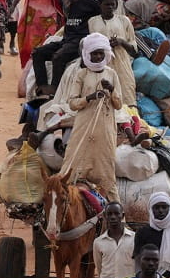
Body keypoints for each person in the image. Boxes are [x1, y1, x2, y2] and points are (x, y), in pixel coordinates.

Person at [53, 33, 125, 201]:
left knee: (106, 168)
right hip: (84, 127)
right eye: (94, 53)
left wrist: (112, 89)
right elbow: (72, 103)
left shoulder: (112, 74)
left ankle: (114, 207)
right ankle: (62, 202)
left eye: (100, 53)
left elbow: (119, 104)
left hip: (105, 128)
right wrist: (90, 98)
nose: (98, 57)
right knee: (73, 164)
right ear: (87, 54)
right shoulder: (81, 74)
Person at [134, 190, 170, 274]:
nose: (161, 210)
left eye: (164, 207)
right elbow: (138, 258)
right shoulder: (142, 232)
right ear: (151, 209)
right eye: (157, 207)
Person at [91, 202, 138, 278]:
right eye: (109, 214)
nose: (113, 217)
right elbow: (99, 267)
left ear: (122, 216)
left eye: (116, 213)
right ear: (105, 216)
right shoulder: (98, 242)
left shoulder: (134, 239)